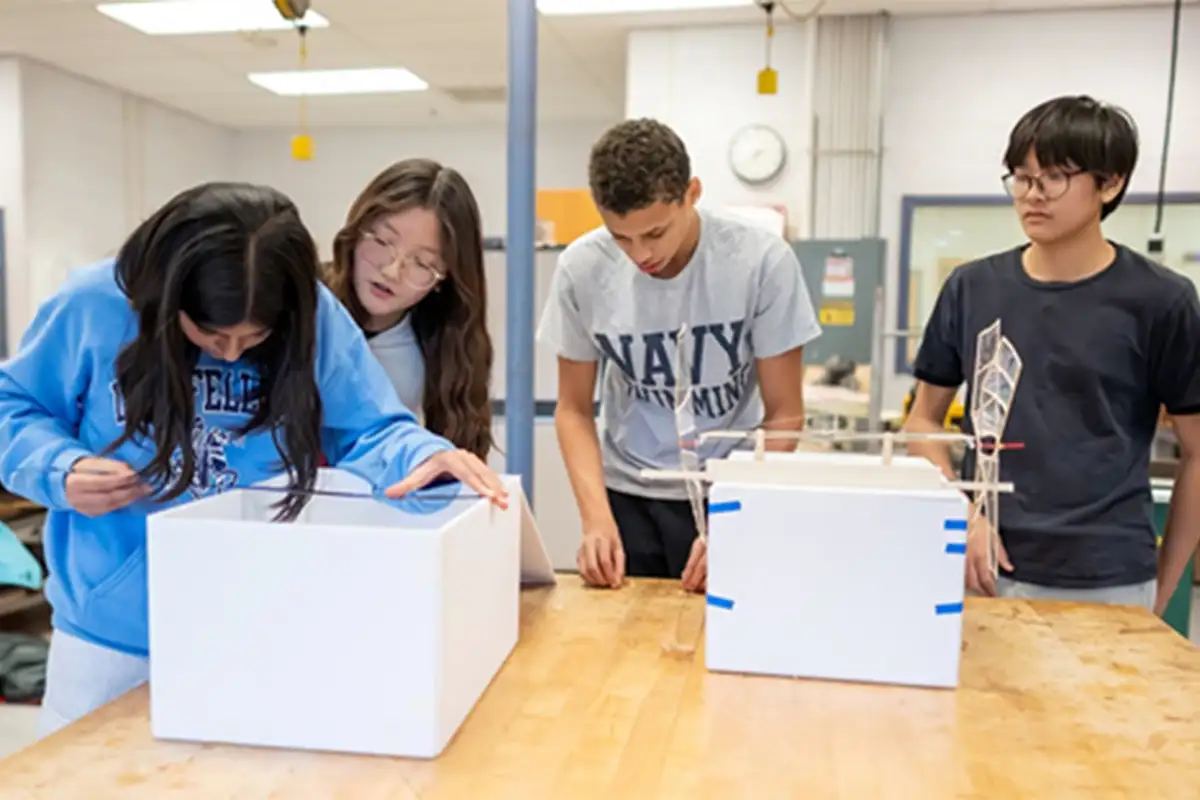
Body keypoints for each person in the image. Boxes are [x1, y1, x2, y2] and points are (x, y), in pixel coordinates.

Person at [0, 182, 509, 737]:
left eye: (255, 336)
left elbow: (370, 427)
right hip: (109, 636)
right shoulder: (95, 304)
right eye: (213, 334)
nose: (232, 352)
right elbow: (14, 405)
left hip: (255, 619)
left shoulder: (315, 314)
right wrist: (60, 468)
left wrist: (427, 455)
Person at [904, 95, 1200, 614]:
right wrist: (962, 511)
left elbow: (1198, 452)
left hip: (1107, 579)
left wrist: (1163, 587)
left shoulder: (1161, 300)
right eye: (1021, 178)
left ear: (1111, 183)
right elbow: (922, 421)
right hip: (982, 570)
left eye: (1054, 178)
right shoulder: (972, 287)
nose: (1031, 196)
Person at [536, 118, 821, 594]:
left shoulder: (761, 261)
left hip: (730, 486)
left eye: (655, 233)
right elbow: (574, 409)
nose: (639, 254)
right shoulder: (582, 269)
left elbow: (786, 412)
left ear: (692, 193)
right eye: (621, 237)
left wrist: (738, 511)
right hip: (629, 492)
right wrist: (595, 519)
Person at [324, 158, 493, 459]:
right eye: (382, 241)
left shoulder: (444, 347)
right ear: (356, 229)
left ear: (445, 277)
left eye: (422, 263)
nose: (391, 271)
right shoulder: (307, 304)